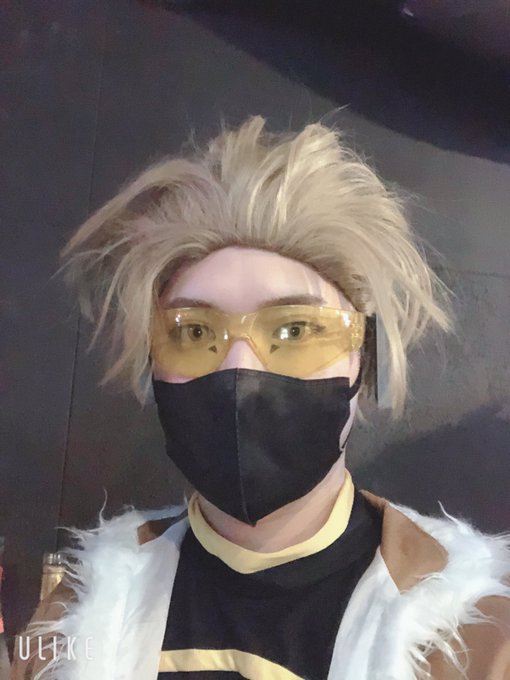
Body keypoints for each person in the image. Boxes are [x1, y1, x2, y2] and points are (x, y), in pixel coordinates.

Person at [10, 116, 510, 680]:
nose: (239, 369)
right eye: (195, 332)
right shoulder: (77, 612)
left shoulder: (480, 638)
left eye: (294, 330)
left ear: (366, 365)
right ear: (153, 371)